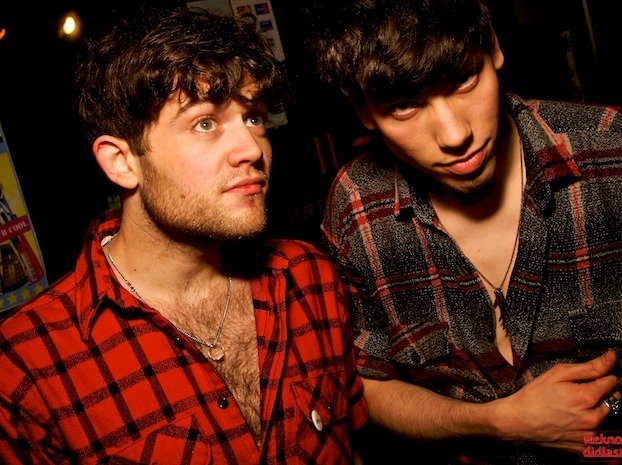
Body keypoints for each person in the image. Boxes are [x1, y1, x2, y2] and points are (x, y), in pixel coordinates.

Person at [303, 0, 622, 463]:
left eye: (463, 80)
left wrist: (614, 442)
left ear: (493, 47)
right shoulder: (357, 208)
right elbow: (368, 385)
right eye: (404, 106)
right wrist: (500, 423)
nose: (454, 135)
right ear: (363, 111)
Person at [0, 7, 368, 464]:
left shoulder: (310, 277)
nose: (252, 149)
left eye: (254, 118)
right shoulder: (28, 367)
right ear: (122, 162)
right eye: (205, 123)